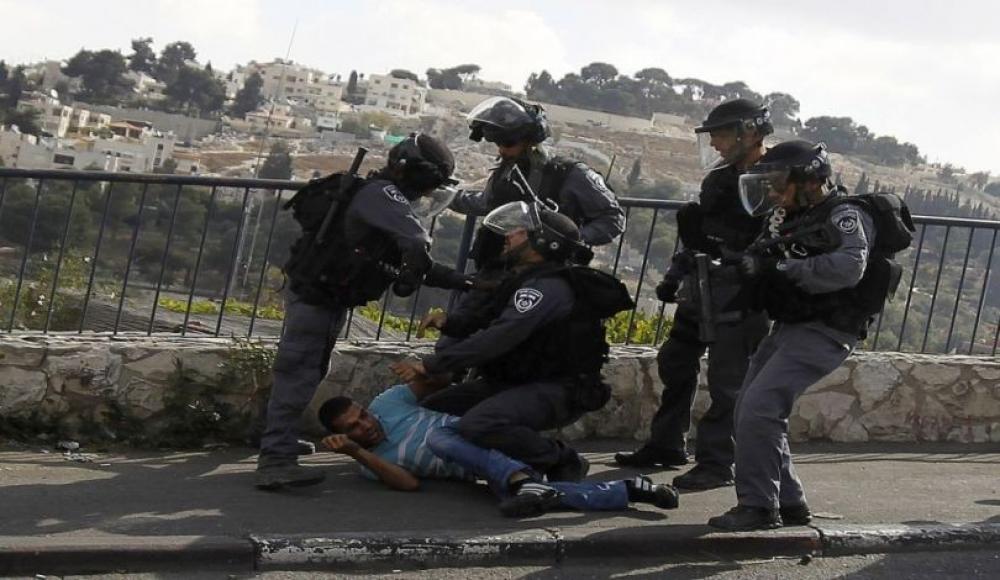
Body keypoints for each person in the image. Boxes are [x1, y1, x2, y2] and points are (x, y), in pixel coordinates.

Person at [255, 133, 475, 491]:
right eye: (430, 185)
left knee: (309, 370)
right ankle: (275, 460)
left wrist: (465, 282)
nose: (428, 193)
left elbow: (418, 263)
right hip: (316, 298)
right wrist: (410, 274)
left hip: (326, 297)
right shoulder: (382, 195)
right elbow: (417, 242)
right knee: (298, 372)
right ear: (418, 175)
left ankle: (277, 439)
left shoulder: (382, 199)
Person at [708, 140, 906, 530]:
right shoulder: (792, 216)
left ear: (811, 180)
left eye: (780, 182)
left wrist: (783, 269)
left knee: (761, 407)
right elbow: (763, 255)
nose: (774, 191)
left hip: (827, 329)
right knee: (750, 407)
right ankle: (789, 502)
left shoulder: (845, 214)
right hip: (791, 324)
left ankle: (758, 506)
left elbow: (849, 267)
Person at [396, 201, 634, 482]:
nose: (509, 235)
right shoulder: (522, 280)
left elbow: (499, 337)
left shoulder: (547, 288)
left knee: (480, 423)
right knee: (434, 407)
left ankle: (561, 459)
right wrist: (448, 322)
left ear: (543, 242)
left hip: (557, 388)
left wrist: (432, 365)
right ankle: (492, 464)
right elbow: (487, 319)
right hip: (517, 381)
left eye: (521, 232)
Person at [615, 99, 772, 492]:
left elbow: (774, 241)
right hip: (703, 286)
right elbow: (699, 238)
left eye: (721, 135)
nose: (715, 143)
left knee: (726, 382)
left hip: (743, 295)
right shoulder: (720, 179)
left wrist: (741, 258)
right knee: (675, 361)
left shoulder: (776, 178)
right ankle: (667, 444)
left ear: (749, 132)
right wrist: (675, 274)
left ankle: (717, 463)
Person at [317, 380, 679, 517]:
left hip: (483, 436)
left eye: (362, 415)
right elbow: (409, 484)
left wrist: (422, 370)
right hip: (485, 466)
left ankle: (522, 479)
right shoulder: (369, 462)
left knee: (438, 438)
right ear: (344, 436)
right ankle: (629, 490)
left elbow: (441, 380)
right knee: (529, 498)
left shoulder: (387, 402)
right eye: (354, 428)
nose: (366, 425)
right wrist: (356, 452)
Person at [456, 96, 626, 270]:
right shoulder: (507, 171)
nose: (502, 150)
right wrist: (449, 196)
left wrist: (569, 238)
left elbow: (613, 218)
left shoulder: (570, 174)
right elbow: (487, 204)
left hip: (546, 270)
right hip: (498, 268)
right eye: (498, 143)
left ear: (529, 142)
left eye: (508, 143)